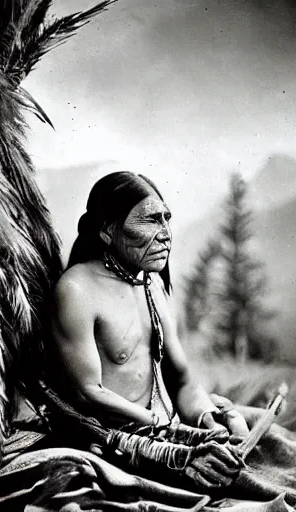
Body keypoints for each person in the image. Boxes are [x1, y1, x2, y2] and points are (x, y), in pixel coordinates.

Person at [49, 171, 250, 489]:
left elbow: (181, 379)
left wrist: (205, 418)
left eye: (166, 219)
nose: (166, 233)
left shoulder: (152, 285)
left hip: (166, 428)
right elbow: (88, 393)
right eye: (151, 220)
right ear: (107, 230)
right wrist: (165, 430)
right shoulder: (77, 289)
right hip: (114, 442)